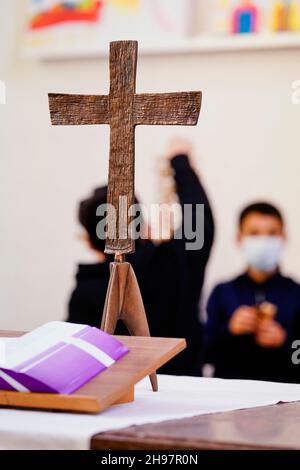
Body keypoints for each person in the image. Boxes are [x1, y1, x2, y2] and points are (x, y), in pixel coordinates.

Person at [67, 139, 215, 376]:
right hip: (185, 397)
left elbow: (75, 364)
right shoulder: (172, 264)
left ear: (87, 239)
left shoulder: (84, 293)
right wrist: (181, 161)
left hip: (115, 404)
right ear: (142, 224)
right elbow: (200, 221)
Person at [205, 202, 300, 383]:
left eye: (272, 233)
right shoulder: (223, 292)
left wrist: (284, 342)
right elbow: (204, 353)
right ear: (239, 239)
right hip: (231, 400)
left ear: (284, 237)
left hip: (286, 398)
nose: (264, 241)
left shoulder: (296, 293)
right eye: (254, 233)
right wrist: (230, 330)